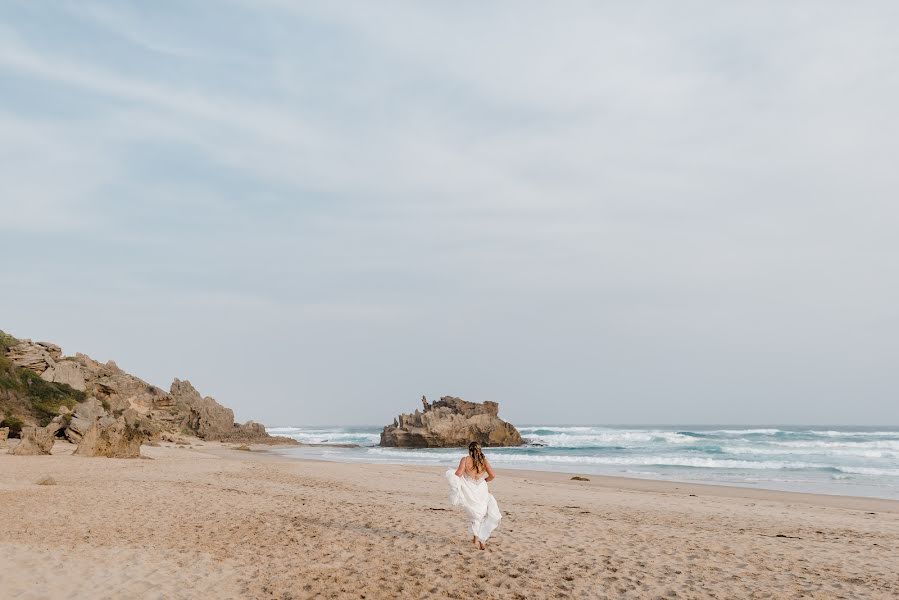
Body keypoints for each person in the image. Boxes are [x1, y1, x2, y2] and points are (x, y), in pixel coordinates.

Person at [444, 441, 502, 550]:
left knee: (474, 514)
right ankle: (480, 539)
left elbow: (458, 474)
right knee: (482, 513)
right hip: (481, 488)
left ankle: (477, 538)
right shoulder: (483, 461)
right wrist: (484, 480)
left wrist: (456, 477)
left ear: (469, 450)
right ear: (480, 450)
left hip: (469, 489)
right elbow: (492, 475)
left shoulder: (465, 459)